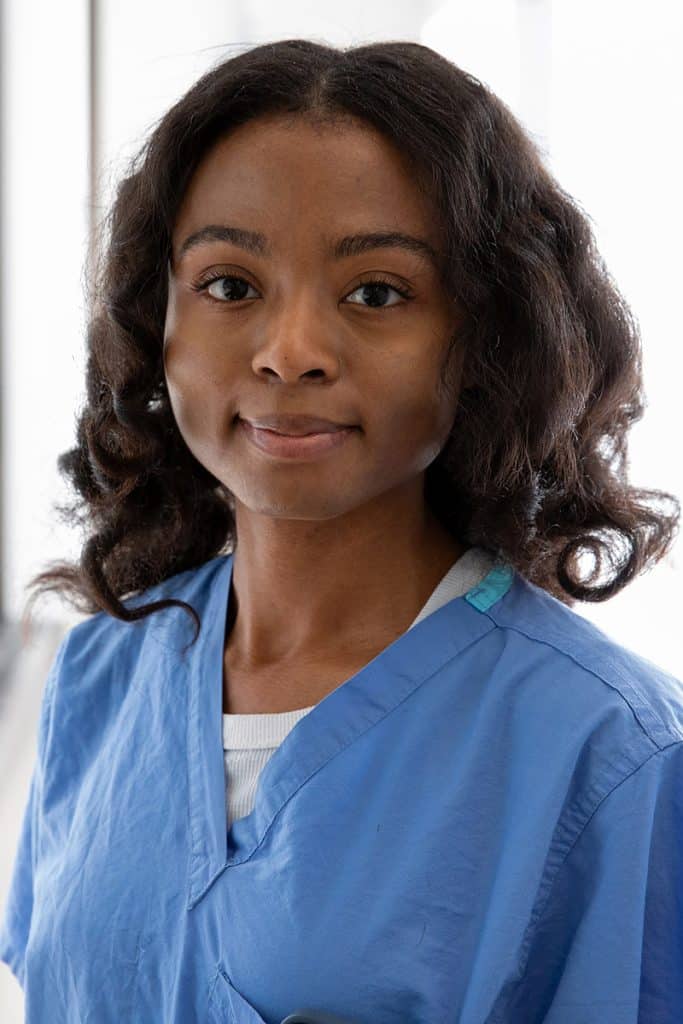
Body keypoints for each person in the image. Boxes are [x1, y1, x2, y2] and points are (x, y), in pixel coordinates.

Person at [1, 36, 681, 1024]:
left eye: (376, 293)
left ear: (484, 337)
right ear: (159, 321)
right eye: (230, 285)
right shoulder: (103, 671)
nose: (289, 352)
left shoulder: (612, 753)